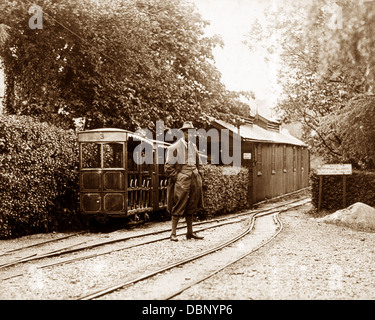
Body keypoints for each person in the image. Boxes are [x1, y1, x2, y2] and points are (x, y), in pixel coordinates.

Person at [165, 121, 204, 241]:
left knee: (192, 204)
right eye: (187, 133)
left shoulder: (194, 147)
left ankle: (190, 232)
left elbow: (199, 164)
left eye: (192, 133)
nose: (190, 135)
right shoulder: (174, 148)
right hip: (182, 180)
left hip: (194, 179)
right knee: (179, 204)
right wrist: (178, 177)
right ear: (183, 133)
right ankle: (173, 233)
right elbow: (168, 167)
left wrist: (200, 176)